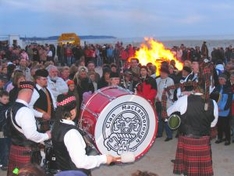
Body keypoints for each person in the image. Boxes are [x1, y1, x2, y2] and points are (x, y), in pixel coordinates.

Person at [51, 93, 119, 176]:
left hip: (64, 170)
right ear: (72, 111)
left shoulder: (56, 125)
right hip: (75, 173)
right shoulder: (72, 133)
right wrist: (104, 159)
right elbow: (81, 162)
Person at [167, 79, 218, 176]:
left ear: (195, 88)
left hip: (187, 138)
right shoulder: (213, 103)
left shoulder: (184, 99)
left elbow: (169, 112)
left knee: (186, 167)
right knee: (202, 169)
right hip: (204, 138)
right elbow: (213, 123)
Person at [6, 81, 51, 175]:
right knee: (28, 173)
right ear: (29, 94)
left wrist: (41, 114)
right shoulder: (25, 111)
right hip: (26, 152)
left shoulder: (11, 108)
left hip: (15, 148)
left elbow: (29, 111)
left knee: (16, 172)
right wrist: (46, 135)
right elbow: (31, 135)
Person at [0, 90, 10, 171]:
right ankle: (4, 163)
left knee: (5, 147)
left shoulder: (8, 106)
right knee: (4, 148)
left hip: (6, 130)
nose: (6, 101)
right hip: (2, 131)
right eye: (4, 99)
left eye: (7, 99)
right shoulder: (2, 108)